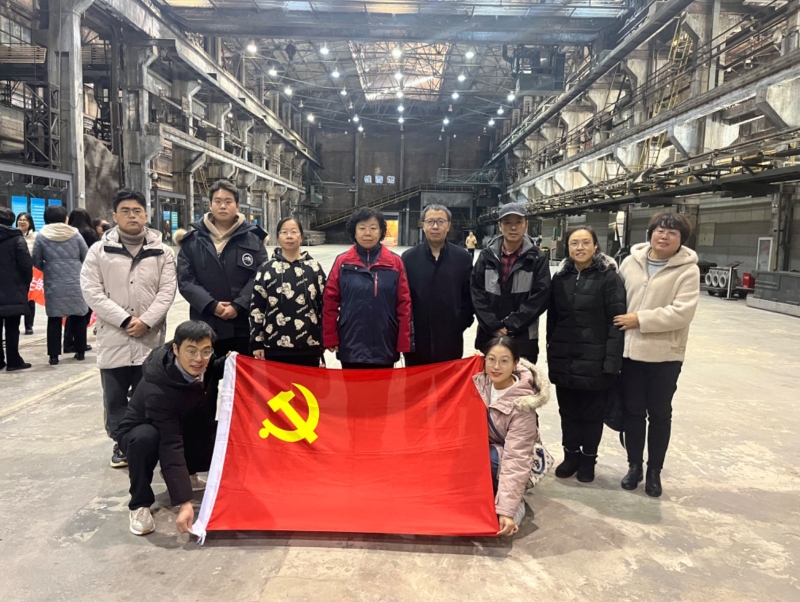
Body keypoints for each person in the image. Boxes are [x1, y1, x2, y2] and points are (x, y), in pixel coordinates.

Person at [81, 189, 177, 468]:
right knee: (115, 397)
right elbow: (91, 291)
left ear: (146, 215)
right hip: (114, 335)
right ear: (115, 216)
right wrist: (124, 320)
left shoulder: (162, 252)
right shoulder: (99, 251)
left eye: (137, 211)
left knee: (148, 394)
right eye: (125, 211)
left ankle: (145, 443)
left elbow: (167, 291)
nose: (132, 216)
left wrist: (146, 320)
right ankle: (122, 444)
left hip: (149, 336)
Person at [613, 212, 700, 498]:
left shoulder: (687, 270)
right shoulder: (630, 263)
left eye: (672, 233)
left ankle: (654, 471)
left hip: (665, 356)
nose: (664, 236)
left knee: (660, 414)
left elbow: (682, 312)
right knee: (633, 412)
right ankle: (634, 466)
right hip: (630, 354)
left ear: (681, 240)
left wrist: (640, 319)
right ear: (650, 233)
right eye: (660, 230)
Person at [114, 320, 224, 536]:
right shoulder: (158, 388)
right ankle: (139, 504)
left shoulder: (206, 363)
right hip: (142, 431)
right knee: (146, 438)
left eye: (206, 351)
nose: (199, 359)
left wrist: (237, 360)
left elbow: (218, 367)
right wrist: (185, 503)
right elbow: (170, 443)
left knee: (222, 431)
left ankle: (187, 474)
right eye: (191, 351)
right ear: (176, 348)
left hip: (178, 423)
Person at [547, 226, 626, 483]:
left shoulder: (609, 278)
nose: (580, 248)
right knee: (568, 411)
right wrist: (551, 350)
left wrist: (611, 362)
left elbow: (616, 322)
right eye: (574, 243)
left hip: (595, 359)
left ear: (595, 246)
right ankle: (570, 455)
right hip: (565, 357)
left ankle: (589, 459)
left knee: (592, 414)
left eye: (585, 242)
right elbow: (553, 319)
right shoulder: (560, 278)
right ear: (567, 247)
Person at [177, 179, 267, 357]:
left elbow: (261, 275)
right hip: (205, 323)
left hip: (243, 325)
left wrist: (238, 305)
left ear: (237, 206)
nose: (223, 206)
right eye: (217, 201)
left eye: (228, 201)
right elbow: (186, 280)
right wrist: (212, 305)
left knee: (241, 373)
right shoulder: (192, 241)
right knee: (205, 371)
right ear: (210, 205)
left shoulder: (253, 239)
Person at [472, 336, 550, 536]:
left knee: (488, 457)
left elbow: (516, 458)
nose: (496, 367)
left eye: (504, 361)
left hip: (511, 458)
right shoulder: (481, 381)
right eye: (491, 359)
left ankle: (514, 504)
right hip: (486, 447)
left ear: (516, 363)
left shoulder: (522, 406)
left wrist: (507, 511)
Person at [322, 207, 412, 369]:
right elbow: (330, 302)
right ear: (354, 232)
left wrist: (404, 342)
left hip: (385, 342)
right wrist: (330, 336)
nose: (367, 233)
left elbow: (404, 304)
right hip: (350, 342)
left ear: (381, 231)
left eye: (373, 228)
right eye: (362, 228)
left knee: (383, 386)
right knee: (352, 385)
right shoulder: (343, 262)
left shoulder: (395, 263)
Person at [471, 202, 551, 364]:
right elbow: (476, 292)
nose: (513, 227)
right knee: (488, 378)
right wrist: (493, 325)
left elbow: (541, 297)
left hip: (523, 338)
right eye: (507, 222)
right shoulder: (486, 256)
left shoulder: (537, 258)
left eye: (518, 222)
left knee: (522, 379)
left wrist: (512, 324)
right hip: (489, 336)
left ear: (526, 224)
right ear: (500, 226)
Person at [401, 204, 472, 366]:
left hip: (451, 337)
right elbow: (402, 298)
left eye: (440, 221)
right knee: (417, 381)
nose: (435, 227)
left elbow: (469, 295)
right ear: (423, 225)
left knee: (449, 379)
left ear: (448, 225)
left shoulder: (462, 258)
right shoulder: (408, 258)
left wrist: (461, 322)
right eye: (430, 222)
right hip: (418, 339)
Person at [250, 217, 326, 367]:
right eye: (284, 232)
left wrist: (325, 338)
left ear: (301, 236)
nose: (289, 236)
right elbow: (257, 308)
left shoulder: (314, 268)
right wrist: (257, 341)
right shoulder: (266, 269)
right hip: (274, 346)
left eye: (294, 232)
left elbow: (324, 306)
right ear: (278, 237)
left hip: (309, 345)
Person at [32, 205, 89, 365]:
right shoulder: (75, 234)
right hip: (75, 279)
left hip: (53, 281)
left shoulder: (42, 236)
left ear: (46, 218)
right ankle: (80, 351)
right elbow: (86, 255)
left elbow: (36, 260)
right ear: (65, 218)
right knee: (79, 315)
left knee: (54, 318)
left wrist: (49, 267)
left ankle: (54, 356)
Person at [0, 207, 33, 371]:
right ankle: (14, 360)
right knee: (13, 327)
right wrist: (26, 283)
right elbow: (26, 264)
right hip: (14, 288)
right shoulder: (17, 239)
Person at [65, 208, 100, 354]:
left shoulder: (66, 234)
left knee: (71, 312)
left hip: (68, 276)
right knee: (85, 311)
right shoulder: (91, 234)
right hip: (88, 275)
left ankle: (68, 342)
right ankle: (80, 343)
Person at [15, 212, 37, 335]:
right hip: (16, 273)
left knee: (30, 300)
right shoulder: (13, 235)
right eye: (20, 219)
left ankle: (29, 325)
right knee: (16, 301)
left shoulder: (35, 236)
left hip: (31, 272)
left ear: (30, 223)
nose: (22, 222)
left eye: (25, 220)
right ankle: (16, 325)